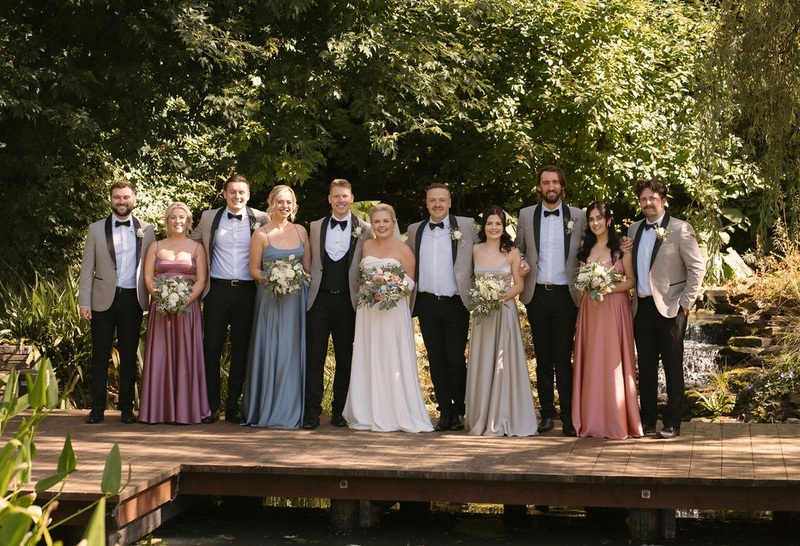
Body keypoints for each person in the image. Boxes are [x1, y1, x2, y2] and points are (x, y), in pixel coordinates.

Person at [342, 204, 433, 432]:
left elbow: (410, 283)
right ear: (371, 225)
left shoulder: (404, 249)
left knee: (392, 356)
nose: (381, 225)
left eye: (385, 221)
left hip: (393, 311)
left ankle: (395, 412)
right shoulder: (366, 246)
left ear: (393, 223)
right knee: (369, 355)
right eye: (376, 221)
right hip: (369, 312)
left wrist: (388, 289)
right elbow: (362, 277)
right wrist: (372, 288)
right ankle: (367, 411)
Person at [628, 179, 704, 439]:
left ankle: (672, 422)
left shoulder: (681, 229)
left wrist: (685, 303)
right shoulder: (633, 229)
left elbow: (696, 268)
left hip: (672, 308)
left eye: (652, 198)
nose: (647, 203)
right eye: (643, 199)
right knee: (646, 366)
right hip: (641, 308)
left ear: (663, 200)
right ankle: (648, 421)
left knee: (673, 366)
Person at [191, 174, 268, 423]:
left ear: (248, 195)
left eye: (241, 192)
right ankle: (211, 405)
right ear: (225, 194)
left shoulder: (261, 219)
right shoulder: (208, 217)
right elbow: (191, 244)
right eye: (232, 192)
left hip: (247, 292)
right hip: (216, 290)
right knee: (211, 347)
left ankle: (233, 405)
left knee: (241, 349)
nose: (237, 196)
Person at [515, 165, 585, 436]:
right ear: (539, 187)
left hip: (567, 295)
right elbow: (519, 248)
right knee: (543, 359)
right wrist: (521, 262)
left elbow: (592, 246)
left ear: (562, 186)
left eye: (555, 182)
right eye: (546, 182)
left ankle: (568, 417)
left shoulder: (578, 216)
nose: (551, 187)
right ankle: (546, 415)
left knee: (563, 358)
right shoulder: (526, 215)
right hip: (537, 295)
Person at [79, 180, 155, 424]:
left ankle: (126, 409)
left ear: (134, 199)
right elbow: (87, 268)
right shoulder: (95, 229)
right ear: (111, 200)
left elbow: (152, 267)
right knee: (99, 356)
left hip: (132, 299)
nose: (122, 201)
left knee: (129, 357)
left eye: (126, 197)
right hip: (101, 300)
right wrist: (84, 302)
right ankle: (97, 409)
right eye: (117, 197)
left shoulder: (147, 230)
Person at [407, 183, 478, 431]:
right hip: (426, 303)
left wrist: (516, 260)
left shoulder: (466, 226)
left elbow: (489, 247)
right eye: (432, 200)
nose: (437, 204)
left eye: (441, 200)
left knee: (456, 359)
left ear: (449, 202)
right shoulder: (415, 230)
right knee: (435, 359)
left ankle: (460, 410)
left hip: (456, 303)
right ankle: (445, 411)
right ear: (426, 204)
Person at [304, 179, 373, 429]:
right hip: (318, 300)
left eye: (345, 196)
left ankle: (339, 411)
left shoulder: (366, 229)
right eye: (336, 196)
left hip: (348, 301)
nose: (341, 200)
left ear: (352, 198)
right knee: (314, 357)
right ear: (329, 199)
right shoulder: (315, 226)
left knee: (346, 357)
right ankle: (311, 411)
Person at [571, 201, 643, 439]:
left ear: (609, 220)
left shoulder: (622, 247)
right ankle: (592, 419)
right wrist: (589, 284)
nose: (595, 223)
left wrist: (606, 287)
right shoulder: (585, 246)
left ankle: (616, 418)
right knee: (593, 359)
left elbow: (631, 281)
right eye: (591, 219)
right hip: (591, 310)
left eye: (599, 218)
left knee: (613, 360)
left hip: (614, 308)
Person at [241, 185, 310, 428]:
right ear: (271, 203)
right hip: (270, 299)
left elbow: (308, 269)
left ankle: (292, 408)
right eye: (280, 201)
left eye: (288, 202)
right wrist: (274, 278)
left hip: (296, 301)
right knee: (272, 349)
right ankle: (267, 407)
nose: (284, 206)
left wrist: (294, 278)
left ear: (294, 205)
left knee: (292, 351)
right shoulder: (261, 234)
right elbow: (253, 269)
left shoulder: (301, 231)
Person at [465, 206, 538, 437]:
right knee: (483, 361)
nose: (494, 227)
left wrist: (496, 297)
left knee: (503, 362)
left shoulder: (512, 251)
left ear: (504, 226)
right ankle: (481, 415)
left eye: (498, 223)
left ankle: (504, 415)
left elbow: (519, 285)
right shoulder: (475, 250)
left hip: (504, 311)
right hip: (482, 315)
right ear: (484, 226)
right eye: (490, 223)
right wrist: (483, 299)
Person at [139, 202, 211, 424]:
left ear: (188, 221)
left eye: (182, 217)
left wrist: (183, 301)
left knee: (186, 357)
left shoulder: (197, 248)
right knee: (160, 357)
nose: (177, 221)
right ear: (167, 221)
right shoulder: (155, 246)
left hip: (187, 311)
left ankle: (186, 411)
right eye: (173, 217)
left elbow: (201, 280)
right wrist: (162, 298)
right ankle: (158, 411)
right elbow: (148, 278)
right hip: (160, 309)